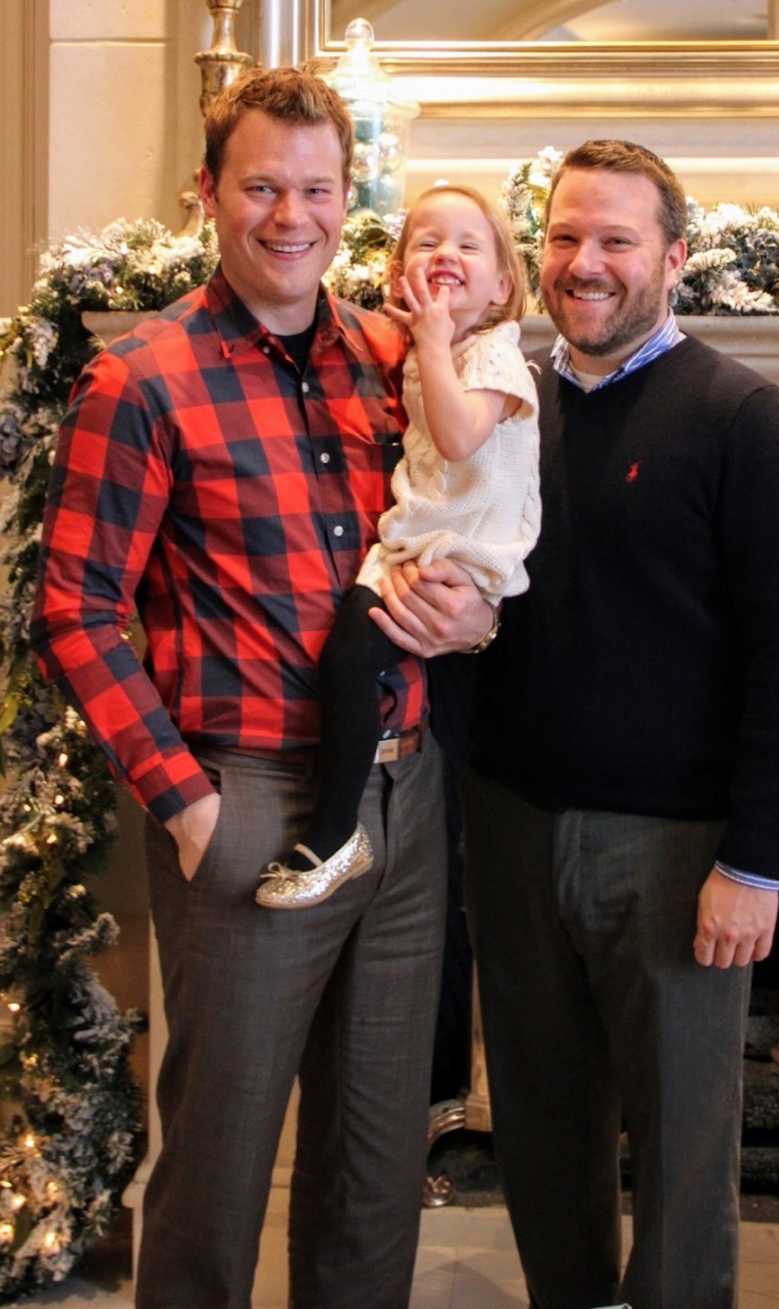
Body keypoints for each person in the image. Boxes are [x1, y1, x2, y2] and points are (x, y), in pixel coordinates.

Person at [30, 66, 491, 1309]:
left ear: (352, 199)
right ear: (208, 195)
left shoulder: (395, 359)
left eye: (318, 189)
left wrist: (478, 613)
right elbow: (72, 609)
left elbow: (471, 521)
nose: (292, 216)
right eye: (262, 188)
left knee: (376, 1166)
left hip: (401, 803)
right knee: (223, 1167)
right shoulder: (143, 380)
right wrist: (184, 802)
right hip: (247, 806)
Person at [458, 140, 779, 1309]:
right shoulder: (503, 408)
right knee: (540, 1132)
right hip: (514, 832)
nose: (586, 263)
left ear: (674, 258)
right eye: (567, 237)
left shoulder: (745, 420)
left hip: (677, 856)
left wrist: (756, 864)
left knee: (680, 1159)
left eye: (617, 239)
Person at [257, 184, 540, 909]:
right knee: (349, 659)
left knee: (351, 657)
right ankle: (341, 825)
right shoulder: (432, 350)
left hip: (461, 549)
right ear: (397, 276)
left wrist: (432, 341)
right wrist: (427, 342)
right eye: (426, 242)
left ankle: (333, 830)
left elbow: (455, 435)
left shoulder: (496, 359)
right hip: (416, 539)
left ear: (504, 284)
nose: (446, 253)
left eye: (468, 245)